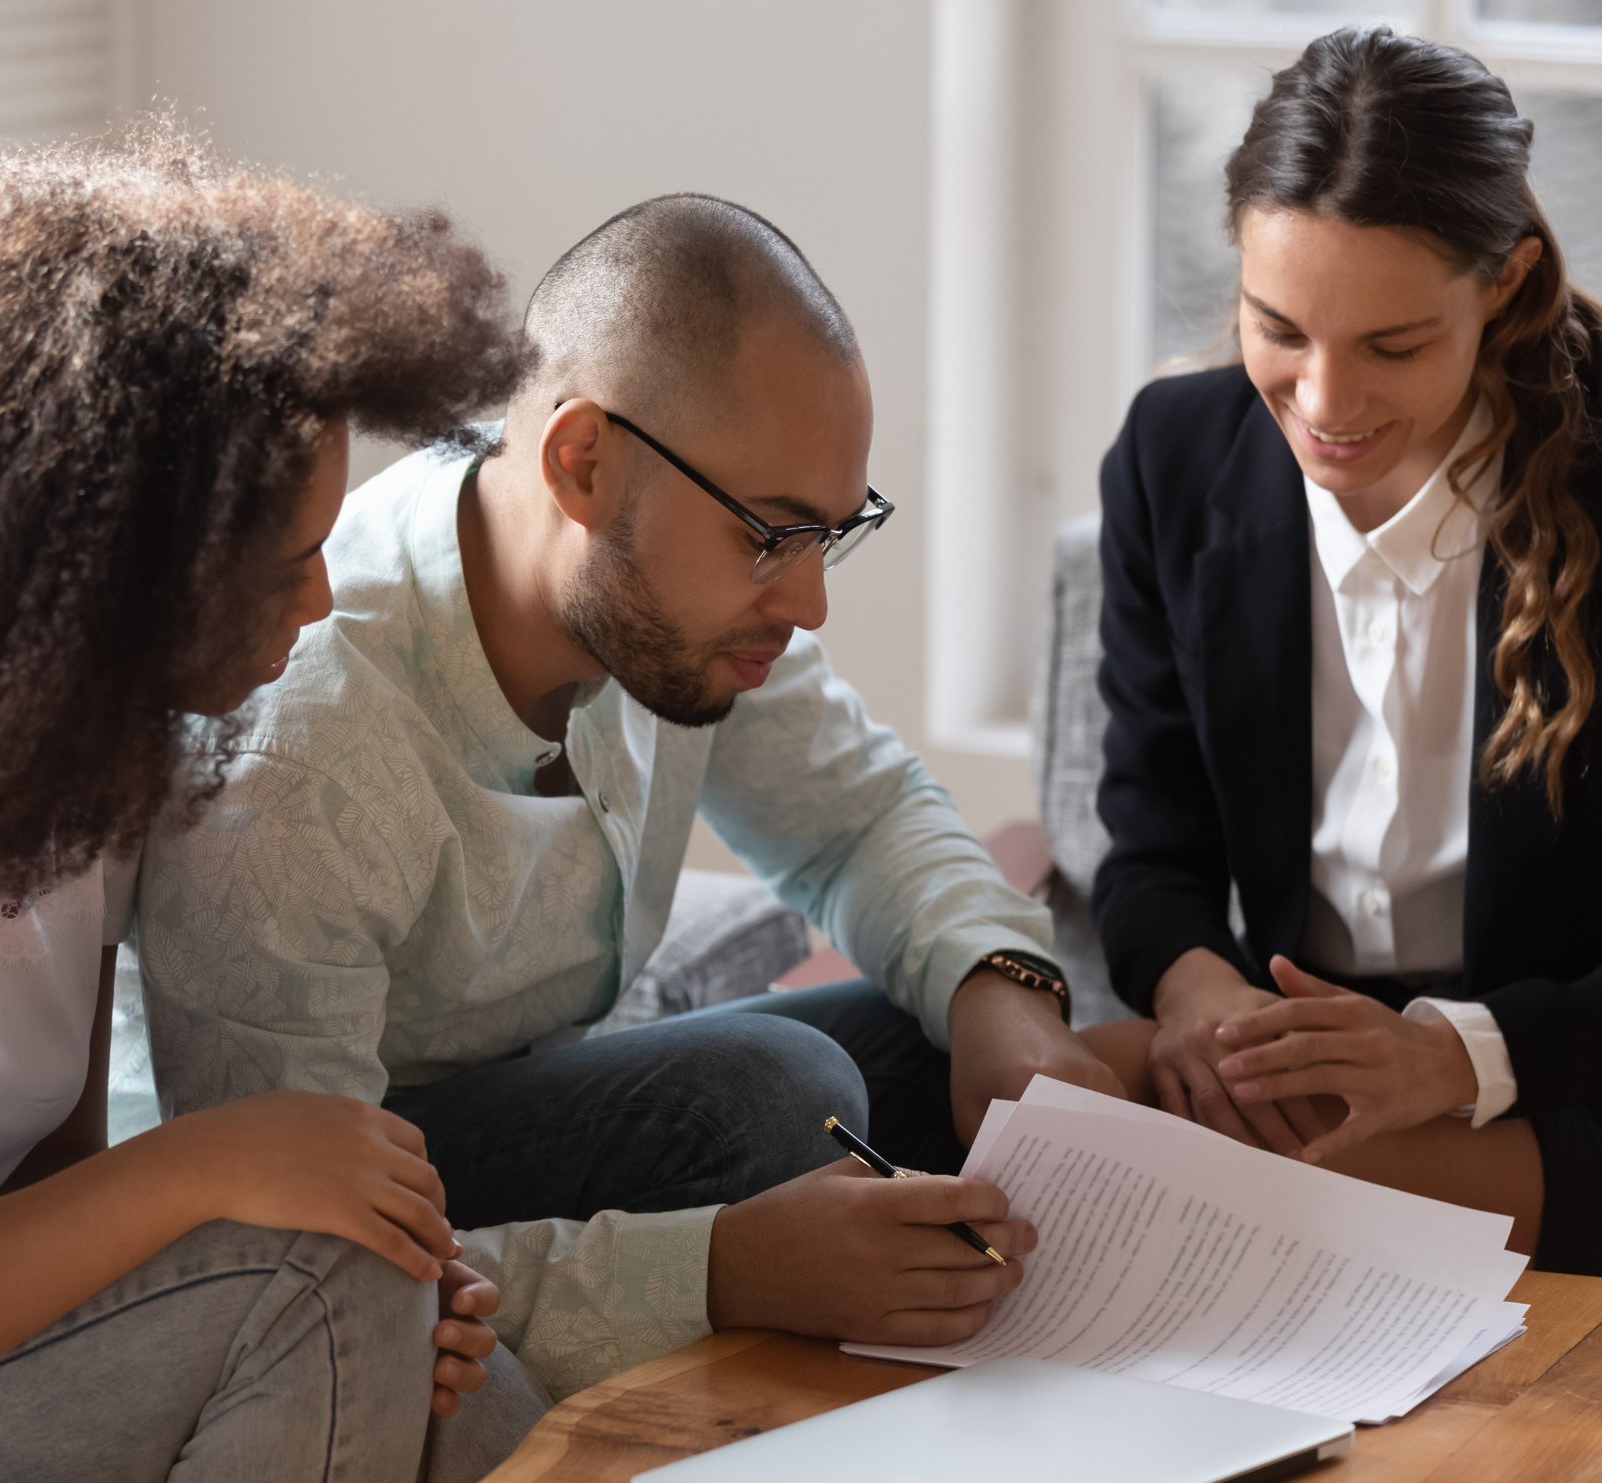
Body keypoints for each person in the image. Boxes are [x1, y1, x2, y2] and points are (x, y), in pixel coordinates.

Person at [137, 193, 1116, 1405]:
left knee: (986, 1029)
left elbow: (860, 818)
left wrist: (1002, 995)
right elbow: (293, 1274)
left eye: (832, 532)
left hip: (517, 1113)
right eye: (772, 534)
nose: (808, 603)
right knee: (776, 1100)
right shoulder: (298, 768)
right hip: (339, 1186)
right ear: (584, 464)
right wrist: (722, 1271)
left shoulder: (670, 612)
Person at [0, 126, 540, 1479]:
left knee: (446, 1371)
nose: (319, 604)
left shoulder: (67, 762)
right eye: (287, 562)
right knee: (324, 1287)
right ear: (113, 565)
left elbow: (44, 1196)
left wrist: (327, 1278)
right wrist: (204, 1166)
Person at [1092, 26, 1602, 1275]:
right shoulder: (1172, 457)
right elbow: (1146, 852)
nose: (1323, 405)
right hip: (1302, 1050)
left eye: (1393, 346)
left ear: (1507, 283)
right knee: (1017, 1090)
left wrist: (1461, 1054)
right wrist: (1201, 992)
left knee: (1205, 1180)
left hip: (1561, 1061)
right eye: (1280, 330)